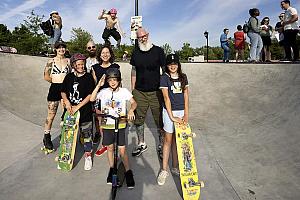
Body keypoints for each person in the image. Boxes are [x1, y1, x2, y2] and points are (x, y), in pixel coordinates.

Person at [90, 68, 136, 188]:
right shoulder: (104, 91)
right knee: (109, 148)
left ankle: (128, 171)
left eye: (115, 80)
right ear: (107, 81)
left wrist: (131, 109)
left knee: (122, 150)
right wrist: (98, 85)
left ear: (119, 80)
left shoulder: (124, 91)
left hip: (120, 123)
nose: (112, 82)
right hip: (107, 124)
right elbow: (92, 99)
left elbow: (134, 102)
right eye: (110, 80)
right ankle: (112, 169)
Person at [130, 27, 166, 158]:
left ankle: (162, 144)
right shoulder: (135, 53)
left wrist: (165, 88)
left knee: (159, 119)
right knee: (139, 119)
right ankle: (141, 143)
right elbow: (134, 71)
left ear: (148, 35)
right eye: (139, 37)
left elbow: (164, 70)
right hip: (140, 91)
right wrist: (133, 91)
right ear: (137, 38)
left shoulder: (158, 51)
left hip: (156, 91)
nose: (142, 38)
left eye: (144, 36)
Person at [157, 54, 189, 186]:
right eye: (170, 64)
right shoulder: (164, 78)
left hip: (181, 112)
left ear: (178, 64)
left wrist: (186, 114)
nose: (173, 66)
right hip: (169, 112)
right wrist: (171, 116)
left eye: (175, 63)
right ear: (167, 66)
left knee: (178, 140)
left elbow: (186, 95)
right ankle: (164, 170)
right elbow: (166, 98)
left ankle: (175, 167)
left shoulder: (183, 77)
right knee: (168, 141)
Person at [61, 53, 95, 171]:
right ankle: (66, 155)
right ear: (74, 65)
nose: (81, 66)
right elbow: (63, 91)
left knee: (87, 135)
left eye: (83, 64)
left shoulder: (88, 77)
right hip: (70, 112)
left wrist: (78, 107)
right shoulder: (69, 77)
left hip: (85, 112)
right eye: (78, 64)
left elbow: (90, 95)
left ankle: (88, 156)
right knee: (68, 135)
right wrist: (67, 102)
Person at [91, 45, 120, 156]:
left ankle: (114, 143)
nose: (105, 54)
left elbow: (119, 84)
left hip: (112, 98)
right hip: (100, 98)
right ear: (99, 54)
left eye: (107, 52)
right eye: (103, 52)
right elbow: (94, 84)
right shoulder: (95, 67)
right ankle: (106, 144)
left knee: (113, 120)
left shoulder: (115, 66)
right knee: (101, 122)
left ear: (110, 54)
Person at [42, 41, 71, 152]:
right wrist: (55, 82)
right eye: (59, 48)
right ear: (56, 49)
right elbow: (46, 76)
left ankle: (64, 134)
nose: (61, 49)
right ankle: (46, 136)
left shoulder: (68, 61)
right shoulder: (51, 61)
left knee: (65, 114)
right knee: (51, 114)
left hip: (65, 89)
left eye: (63, 47)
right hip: (55, 88)